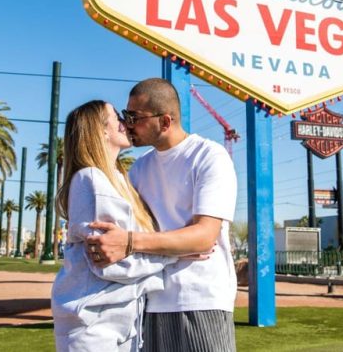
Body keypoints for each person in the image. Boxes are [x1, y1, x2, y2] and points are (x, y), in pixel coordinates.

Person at [88, 78, 238, 352]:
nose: (127, 123)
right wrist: (175, 246)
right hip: (148, 301)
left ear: (165, 122)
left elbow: (204, 236)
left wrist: (131, 242)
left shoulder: (209, 156)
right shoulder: (138, 169)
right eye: (125, 115)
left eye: (135, 117)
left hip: (200, 300)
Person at [51, 100, 177, 351]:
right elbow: (110, 264)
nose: (125, 123)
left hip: (124, 325)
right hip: (92, 328)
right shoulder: (90, 179)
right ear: (101, 130)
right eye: (117, 117)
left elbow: (129, 250)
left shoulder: (120, 180)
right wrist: (175, 254)